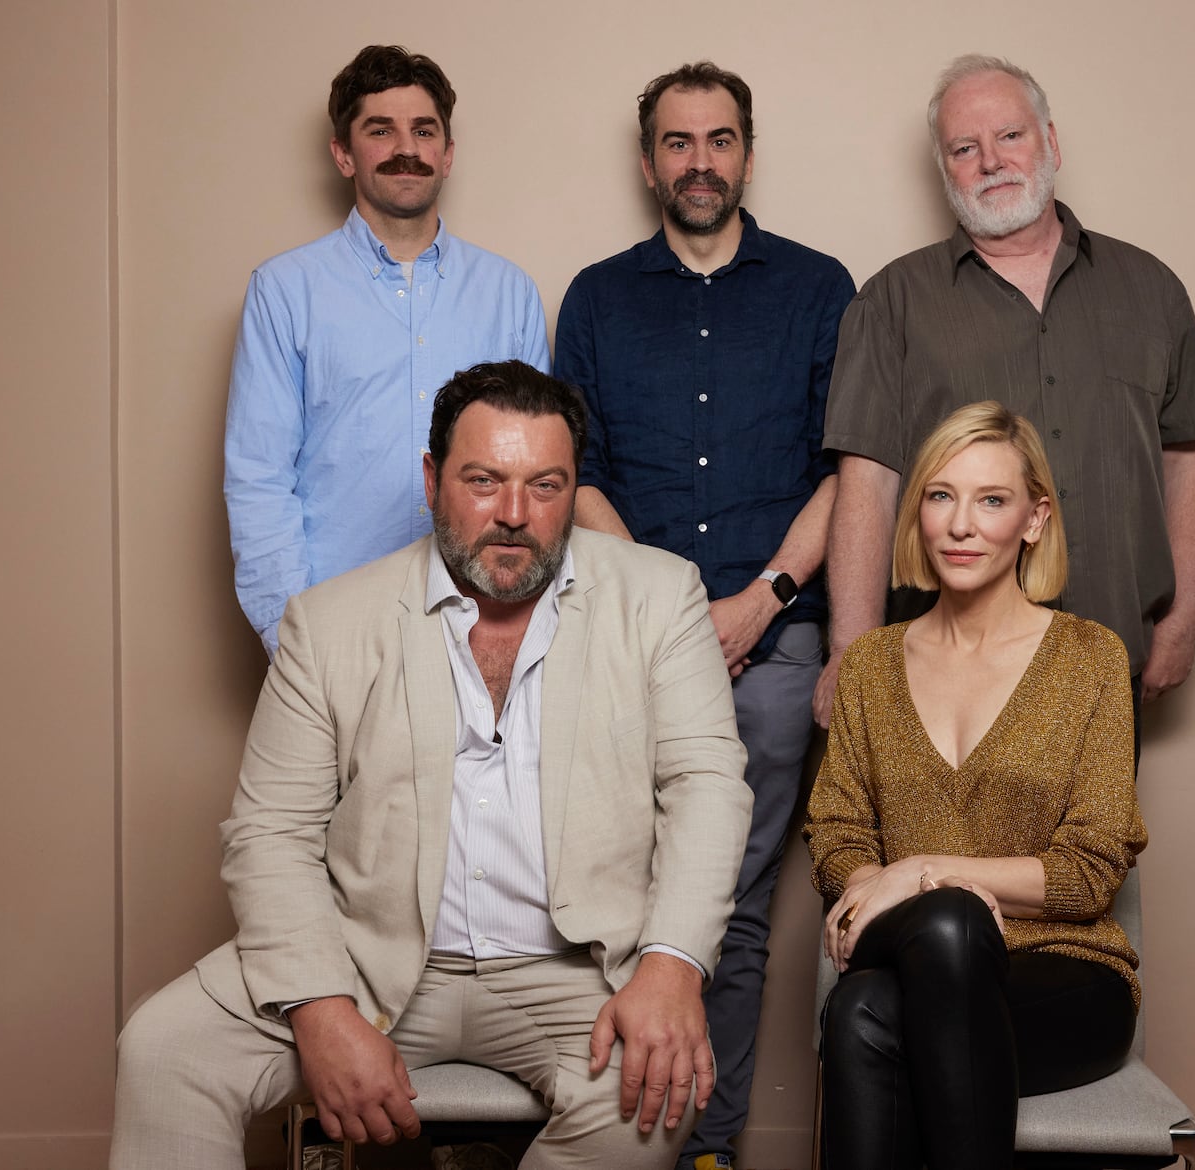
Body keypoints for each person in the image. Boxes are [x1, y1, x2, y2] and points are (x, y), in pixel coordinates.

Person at [113, 362, 752, 1170]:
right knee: (164, 1053)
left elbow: (708, 791)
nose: (514, 514)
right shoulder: (329, 622)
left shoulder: (661, 597)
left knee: (656, 1095)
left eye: (545, 485)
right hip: (364, 955)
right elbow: (270, 832)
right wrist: (320, 1005)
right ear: (431, 479)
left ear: (573, 488)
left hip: (572, 969)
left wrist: (671, 965)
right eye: (483, 480)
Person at [552, 61, 855, 1170]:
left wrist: (763, 598)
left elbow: (849, 468)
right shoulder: (596, 296)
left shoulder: (821, 289)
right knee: (604, 902)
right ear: (648, 163)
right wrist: (672, 621)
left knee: (725, 909)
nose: (699, 161)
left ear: (746, 154)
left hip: (774, 646)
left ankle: (704, 1148)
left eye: (718, 140)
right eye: (677, 143)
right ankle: (611, 1140)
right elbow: (575, 475)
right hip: (623, 648)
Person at [815, 53, 1195, 737]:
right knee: (934, 851)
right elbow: (867, 487)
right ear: (946, 170)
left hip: (1107, 661)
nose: (991, 161)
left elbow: (1187, 464)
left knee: (1088, 849)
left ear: (1051, 142)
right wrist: (851, 656)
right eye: (964, 148)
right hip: (938, 673)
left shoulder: (1152, 290)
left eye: (1010, 136)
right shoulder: (891, 302)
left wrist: (1179, 628)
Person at [804, 402, 1146, 1169]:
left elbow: (1090, 871)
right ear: (918, 513)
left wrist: (923, 875)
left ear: (1034, 518)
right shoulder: (869, 665)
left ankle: (946, 919)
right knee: (946, 928)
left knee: (865, 1006)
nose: (962, 524)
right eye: (940, 495)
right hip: (908, 954)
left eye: (991, 500)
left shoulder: (1090, 659)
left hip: (1063, 978)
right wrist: (882, 886)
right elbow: (837, 835)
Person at [225, 45, 549, 657]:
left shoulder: (509, 293)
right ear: (343, 153)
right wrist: (291, 639)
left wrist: (513, 626)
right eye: (381, 130)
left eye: (423, 131)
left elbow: (533, 479)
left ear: (447, 154)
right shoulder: (284, 291)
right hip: (334, 625)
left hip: (480, 624)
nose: (407, 148)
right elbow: (258, 479)